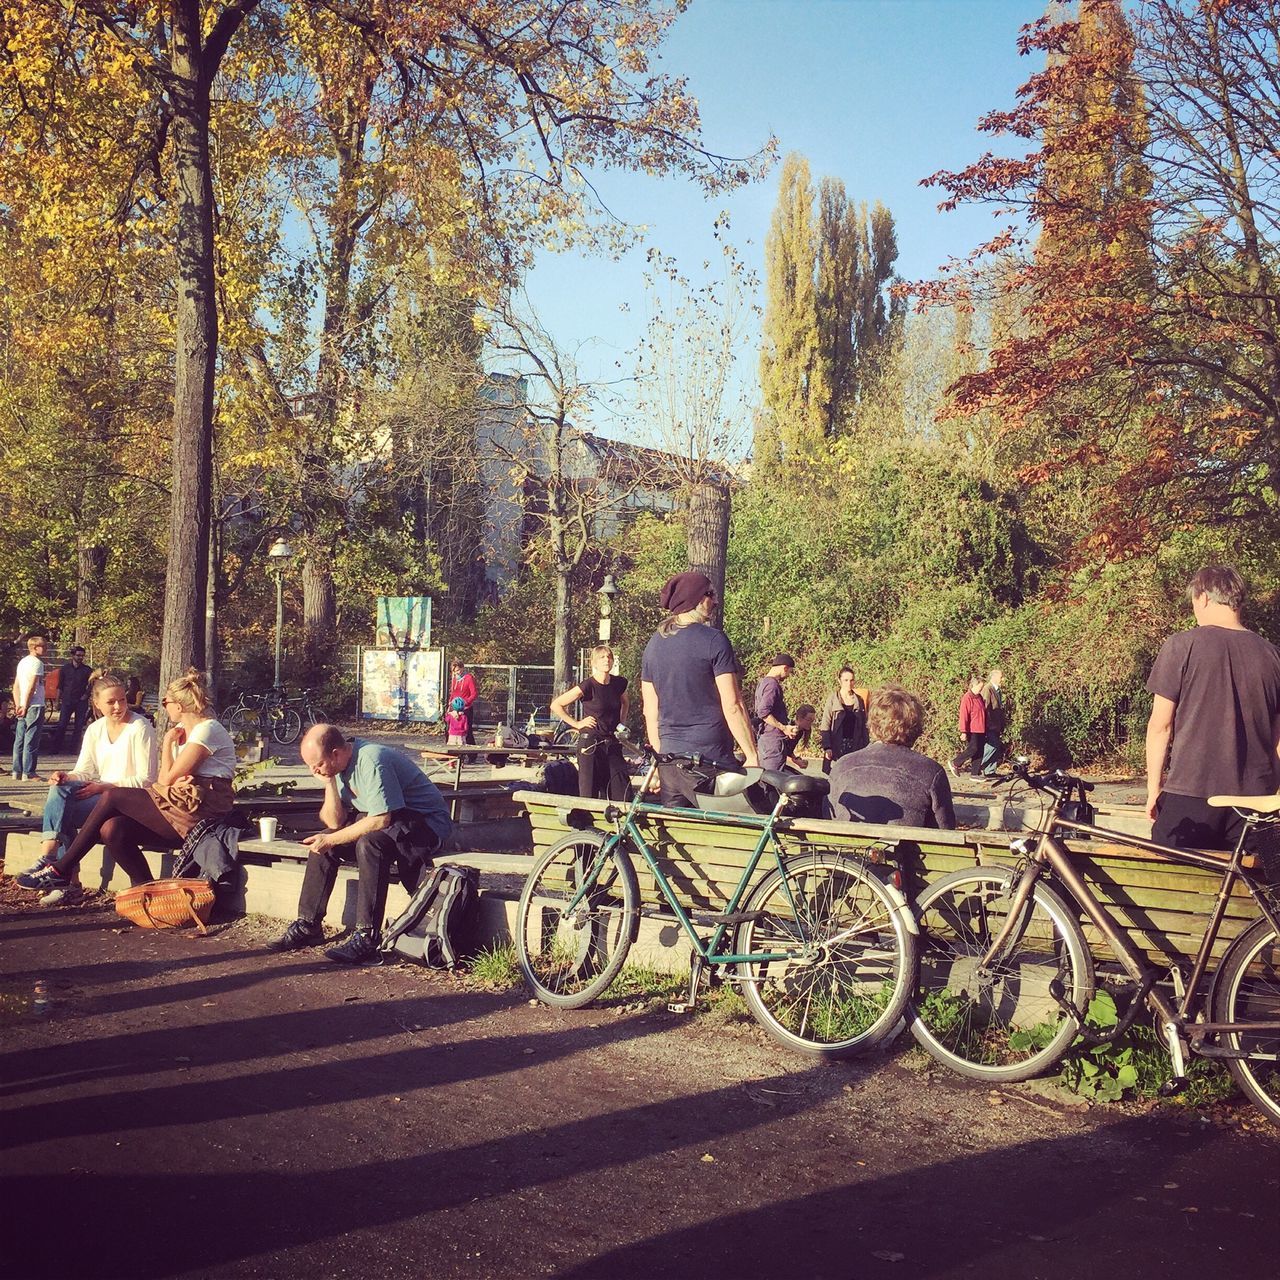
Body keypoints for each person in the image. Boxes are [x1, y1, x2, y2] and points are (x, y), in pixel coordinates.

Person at [16, 669, 237, 895]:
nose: (164, 706)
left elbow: (161, 780)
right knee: (112, 829)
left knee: (113, 796)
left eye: (165, 702)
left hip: (202, 812)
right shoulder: (182, 734)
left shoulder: (207, 730)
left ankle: (62, 869)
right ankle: (147, 892)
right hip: (178, 806)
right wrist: (170, 743)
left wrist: (170, 772)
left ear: (179, 706)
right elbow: (165, 781)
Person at [268, 724, 454, 963]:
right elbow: (335, 822)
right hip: (392, 821)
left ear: (336, 753)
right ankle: (308, 925)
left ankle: (367, 937)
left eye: (318, 764)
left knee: (369, 844)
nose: (314, 770)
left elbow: (381, 819)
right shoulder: (338, 767)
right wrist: (329, 782)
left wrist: (331, 838)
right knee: (322, 845)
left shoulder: (371, 760)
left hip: (425, 825)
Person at [1145, 565, 1280, 851]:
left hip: (1191, 795)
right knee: (1258, 892)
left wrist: (1153, 790)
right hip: (1256, 801)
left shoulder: (1181, 646)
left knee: (1170, 885)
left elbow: (1161, 726)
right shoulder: (1272, 655)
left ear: (1203, 597)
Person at [18, 674, 157, 901]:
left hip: (131, 800)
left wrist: (103, 787)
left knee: (65, 806)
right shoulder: (95, 729)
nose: (118, 706)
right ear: (97, 703)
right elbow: (84, 770)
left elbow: (146, 780)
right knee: (60, 792)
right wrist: (67, 776)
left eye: (122, 700)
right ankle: (56, 867)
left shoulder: (140, 727)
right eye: (111, 702)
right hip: (103, 796)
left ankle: (60, 875)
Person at [640, 571, 758, 807]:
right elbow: (733, 705)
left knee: (680, 839)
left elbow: (650, 712)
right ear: (695, 599)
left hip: (671, 764)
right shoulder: (714, 641)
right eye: (710, 594)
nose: (715, 600)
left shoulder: (653, 646)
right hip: (709, 763)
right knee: (743, 831)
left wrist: (662, 761)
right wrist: (752, 755)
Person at [828, 685, 956, 829]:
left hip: (846, 849)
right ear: (915, 728)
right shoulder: (931, 772)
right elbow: (945, 829)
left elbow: (830, 814)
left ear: (872, 724)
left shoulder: (842, 765)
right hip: (905, 850)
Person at [550, 644, 631, 801]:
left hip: (612, 742)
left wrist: (621, 724)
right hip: (591, 744)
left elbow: (625, 703)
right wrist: (577, 723)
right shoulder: (588, 685)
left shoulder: (619, 683)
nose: (606, 660)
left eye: (609, 657)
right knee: (588, 791)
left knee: (622, 791)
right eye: (602, 657)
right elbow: (556, 705)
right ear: (593, 663)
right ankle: (586, 822)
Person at [11, 631, 48, 782]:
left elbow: (16, 686)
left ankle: (16, 771)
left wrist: (18, 704)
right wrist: (25, 705)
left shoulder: (22, 662)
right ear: (34, 647)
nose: (45, 649)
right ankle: (29, 772)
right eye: (43, 646)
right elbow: (32, 687)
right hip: (34, 705)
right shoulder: (37, 663)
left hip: (22, 704)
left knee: (19, 739)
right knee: (31, 739)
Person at [818, 667, 870, 773]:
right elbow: (825, 724)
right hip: (837, 743)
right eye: (846, 680)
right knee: (835, 773)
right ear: (839, 681)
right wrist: (827, 746)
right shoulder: (832, 699)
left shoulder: (859, 700)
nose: (849, 683)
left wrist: (867, 747)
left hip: (855, 744)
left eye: (851, 680)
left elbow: (864, 726)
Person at [754, 654, 798, 772]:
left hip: (765, 739)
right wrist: (783, 728)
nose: (788, 675)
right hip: (773, 741)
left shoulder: (763, 683)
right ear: (785, 668)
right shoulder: (772, 685)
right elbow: (763, 712)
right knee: (773, 779)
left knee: (768, 777)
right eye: (789, 671)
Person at [51, 646, 92, 752]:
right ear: (73, 655)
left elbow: (91, 685)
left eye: (82, 656)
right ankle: (56, 748)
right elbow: (60, 685)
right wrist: (57, 701)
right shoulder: (65, 669)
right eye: (78, 655)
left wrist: (86, 695)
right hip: (67, 700)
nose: (80, 658)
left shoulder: (87, 670)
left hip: (81, 701)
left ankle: (74, 749)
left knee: (78, 726)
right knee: (62, 725)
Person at [949, 676, 987, 780]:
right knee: (973, 749)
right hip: (972, 729)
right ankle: (956, 763)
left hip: (982, 729)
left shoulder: (979, 697)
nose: (981, 689)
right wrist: (963, 731)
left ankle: (975, 773)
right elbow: (964, 715)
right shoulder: (967, 698)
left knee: (980, 751)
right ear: (974, 685)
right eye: (980, 686)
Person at [980, 667, 1007, 780]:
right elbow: (985, 708)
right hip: (990, 724)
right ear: (994, 677)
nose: (1002, 679)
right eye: (1001, 677)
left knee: (994, 746)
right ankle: (980, 766)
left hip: (997, 724)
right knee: (992, 746)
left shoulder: (997, 690)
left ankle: (990, 770)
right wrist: (987, 723)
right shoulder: (988, 689)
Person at [449, 659, 478, 745]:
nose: (457, 672)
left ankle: (472, 754)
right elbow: (453, 693)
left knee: (467, 731)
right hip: (455, 708)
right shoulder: (454, 679)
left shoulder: (468, 678)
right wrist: (450, 704)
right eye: (455, 671)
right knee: (451, 729)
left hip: (466, 708)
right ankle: (452, 751)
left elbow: (474, 694)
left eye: (458, 670)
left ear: (462, 668)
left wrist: (465, 702)